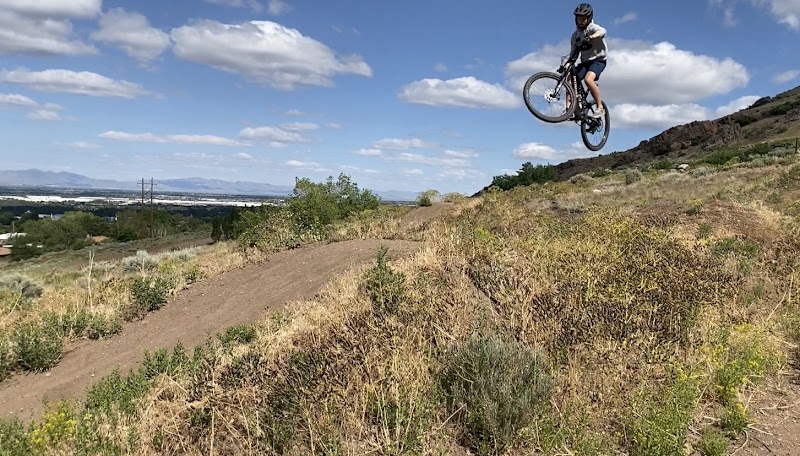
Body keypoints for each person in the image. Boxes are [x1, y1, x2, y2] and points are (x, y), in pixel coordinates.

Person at [570, 3, 607, 118]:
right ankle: (569, 109)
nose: (581, 21)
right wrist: (567, 64)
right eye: (579, 18)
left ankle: (600, 107)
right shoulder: (575, 36)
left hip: (598, 60)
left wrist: (590, 37)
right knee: (569, 79)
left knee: (588, 80)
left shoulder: (592, 28)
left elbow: (603, 31)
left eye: (583, 18)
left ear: (589, 18)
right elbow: (573, 53)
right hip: (585, 62)